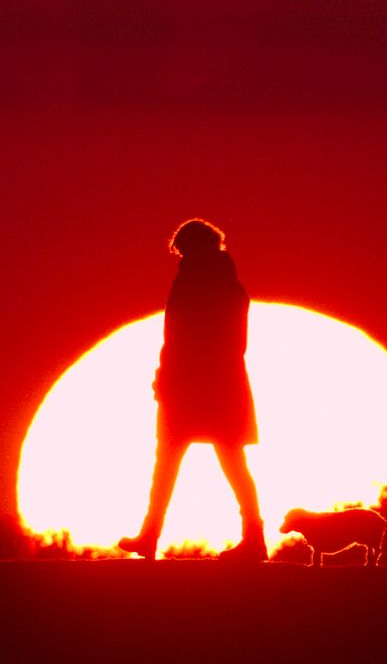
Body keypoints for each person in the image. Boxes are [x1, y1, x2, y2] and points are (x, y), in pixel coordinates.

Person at [118, 219, 267, 562]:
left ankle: (251, 539)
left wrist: (167, 376)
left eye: (185, 250)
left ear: (195, 248)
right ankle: (153, 536)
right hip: (214, 385)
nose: (182, 257)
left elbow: (182, 336)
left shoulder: (200, 281)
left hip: (196, 386)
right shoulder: (228, 284)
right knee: (216, 460)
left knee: (190, 460)